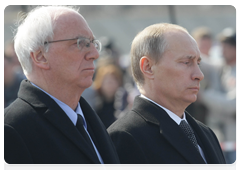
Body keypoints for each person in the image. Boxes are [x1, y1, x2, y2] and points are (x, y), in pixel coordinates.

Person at [4, 6, 122, 170]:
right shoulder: (10, 130)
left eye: (93, 43)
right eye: (81, 43)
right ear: (40, 56)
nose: (94, 54)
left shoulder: (86, 117)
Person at [108, 23, 227, 170]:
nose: (199, 75)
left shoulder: (206, 134)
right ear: (148, 67)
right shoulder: (126, 136)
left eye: (198, 63)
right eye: (186, 62)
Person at [200, 28, 238, 170]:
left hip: (236, 141)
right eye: (222, 44)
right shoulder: (222, 68)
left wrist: (204, 96)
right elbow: (203, 62)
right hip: (219, 139)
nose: (223, 49)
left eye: (227, 45)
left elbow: (234, 104)